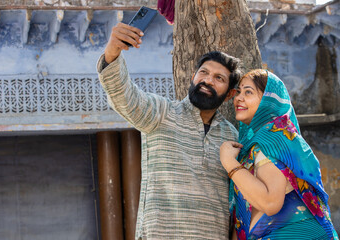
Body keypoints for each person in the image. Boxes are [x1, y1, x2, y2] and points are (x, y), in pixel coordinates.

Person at [97, 22, 242, 239]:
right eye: (203, 72)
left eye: (218, 78)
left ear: (230, 94)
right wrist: (112, 52)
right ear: (194, 77)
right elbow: (125, 97)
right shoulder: (162, 113)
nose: (207, 80)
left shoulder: (232, 136)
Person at [220, 69, 339, 239]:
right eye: (238, 92)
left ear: (268, 101)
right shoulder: (257, 143)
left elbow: (270, 202)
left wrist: (228, 162)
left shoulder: (272, 136)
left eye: (248, 92)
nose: (238, 98)